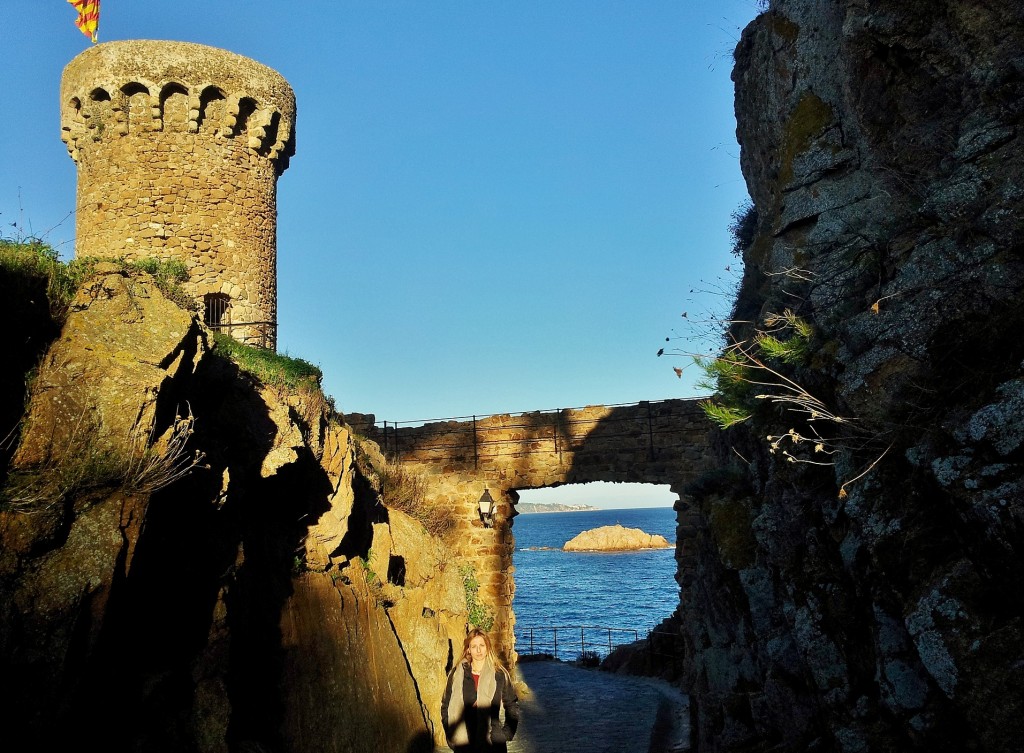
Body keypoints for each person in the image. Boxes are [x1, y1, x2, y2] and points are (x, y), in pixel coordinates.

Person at [440, 628, 520, 752]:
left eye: (482, 645)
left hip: (492, 744)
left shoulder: (499, 674)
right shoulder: (457, 674)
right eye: (474, 646)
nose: (478, 650)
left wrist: (506, 733)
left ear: (487, 647)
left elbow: (512, 704)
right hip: (463, 743)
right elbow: (445, 705)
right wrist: (450, 733)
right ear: (468, 649)